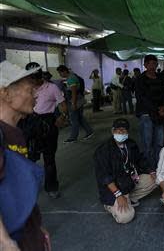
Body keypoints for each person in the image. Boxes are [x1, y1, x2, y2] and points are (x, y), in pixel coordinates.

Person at [0, 61, 50, 251]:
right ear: (5, 93)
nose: (35, 94)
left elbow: (17, 187)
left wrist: (36, 227)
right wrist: (4, 241)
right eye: (29, 90)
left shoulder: (17, 132)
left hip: (25, 232)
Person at [94, 118, 157, 224]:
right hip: (113, 190)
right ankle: (110, 205)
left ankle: (130, 198)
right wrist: (118, 195)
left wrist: (151, 171)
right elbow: (105, 177)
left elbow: (140, 160)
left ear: (127, 132)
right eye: (118, 130)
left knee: (157, 179)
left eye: (124, 130)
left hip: (128, 182)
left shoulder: (131, 144)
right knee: (126, 217)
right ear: (112, 131)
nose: (121, 133)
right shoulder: (103, 150)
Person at [23, 62, 68, 199]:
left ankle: (51, 187)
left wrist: (62, 116)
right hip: (30, 123)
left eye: (36, 77)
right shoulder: (25, 88)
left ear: (41, 75)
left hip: (47, 123)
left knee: (49, 158)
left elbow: (62, 105)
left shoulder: (52, 87)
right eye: (31, 78)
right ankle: (28, 186)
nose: (34, 81)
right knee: (29, 158)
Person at [134, 55, 164, 174]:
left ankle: (159, 166)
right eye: (150, 63)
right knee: (147, 143)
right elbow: (142, 98)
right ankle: (150, 167)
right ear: (145, 65)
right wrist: (157, 109)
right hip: (146, 114)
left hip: (159, 114)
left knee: (159, 142)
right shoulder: (140, 79)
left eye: (155, 63)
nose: (153, 66)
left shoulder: (161, 77)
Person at [56, 65, 94, 143]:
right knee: (80, 118)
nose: (60, 74)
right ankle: (89, 131)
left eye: (60, 73)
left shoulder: (71, 78)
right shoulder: (71, 77)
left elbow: (74, 92)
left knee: (73, 120)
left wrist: (73, 103)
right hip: (77, 101)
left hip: (74, 101)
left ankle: (73, 137)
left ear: (64, 71)